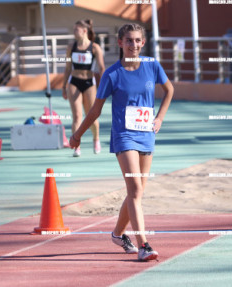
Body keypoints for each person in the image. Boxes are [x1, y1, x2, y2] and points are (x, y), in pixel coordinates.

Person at [70, 23, 174, 261]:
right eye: (129, 40)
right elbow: (95, 110)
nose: (134, 45)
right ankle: (144, 245)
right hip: (124, 136)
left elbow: (169, 90)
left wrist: (159, 118)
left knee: (136, 193)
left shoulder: (151, 65)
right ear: (120, 43)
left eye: (137, 40)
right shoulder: (112, 74)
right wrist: (77, 136)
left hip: (146, 134)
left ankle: (118, 234)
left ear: (143, 42)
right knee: (135, 190)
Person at [63, 19, 105, 157]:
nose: (74, 32)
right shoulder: (71, 47)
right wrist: (64, 86)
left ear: (84, 31)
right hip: (74, 82)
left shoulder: (94, 48)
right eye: (74, 29)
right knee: (77, 116)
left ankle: (96, 139)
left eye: (77, 30)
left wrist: (104, 85)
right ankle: (77, 146)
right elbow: (68, 68)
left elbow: (101, 67)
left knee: (91, 115)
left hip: (88, 83)